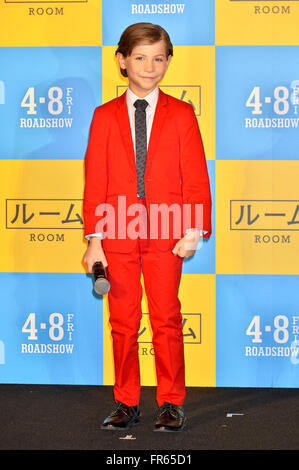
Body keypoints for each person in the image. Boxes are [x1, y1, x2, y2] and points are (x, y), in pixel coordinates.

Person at [82, 22, 212, 432]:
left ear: (169, 61)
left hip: (166, 233)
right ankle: (126, 401)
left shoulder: (182, 113)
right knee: (122, 320)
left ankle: (171, 402)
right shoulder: (104, 116)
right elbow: (95, 179)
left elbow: (194, 176)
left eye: (158, 58)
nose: (149, 67)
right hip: (116, 233)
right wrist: (94, 240)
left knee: (166, 318)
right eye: (140, 58)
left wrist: (193, 229)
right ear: (122, 61)